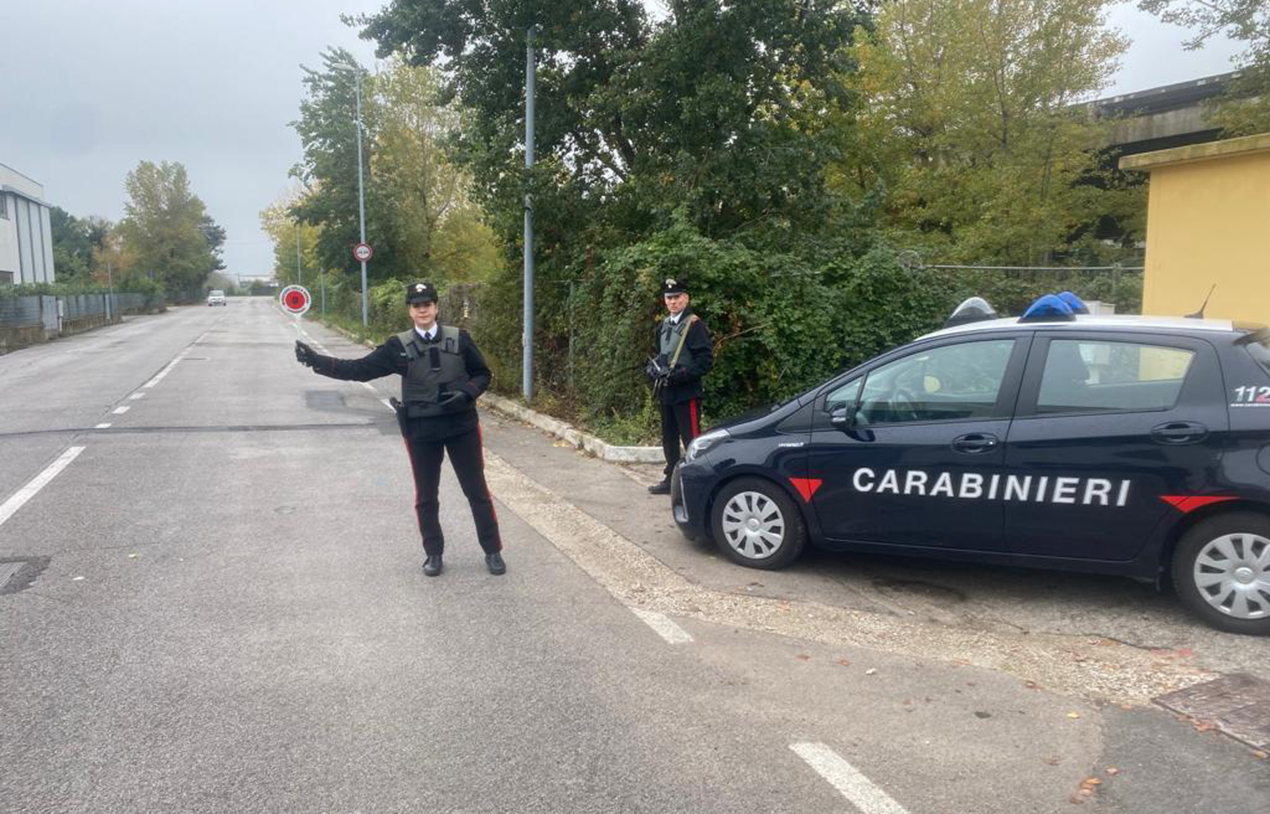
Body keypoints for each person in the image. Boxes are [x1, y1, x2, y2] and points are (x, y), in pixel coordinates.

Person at [294, 281, 505, 577]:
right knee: (426, 496)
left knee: (477, 491)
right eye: (417, 305)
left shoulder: (460, 339)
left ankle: (493, 550)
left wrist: (467, 393)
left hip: (462, 427)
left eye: (428, 304)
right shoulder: (398, 347)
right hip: (422, 431)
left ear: (436, 307)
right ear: (410, 310)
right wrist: (317, 361)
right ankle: (433, 554)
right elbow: (359, 369)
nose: (423, 310)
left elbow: (483, 374)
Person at [646, 277, 713, 495]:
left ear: (686, 298)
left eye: (677, 297)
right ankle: (671, 479)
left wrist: (680, 375)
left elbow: (705, 362)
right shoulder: (664, 325)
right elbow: (662, 354)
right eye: (669, 298)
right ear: (664, 301)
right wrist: (653, 369)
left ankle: (698, 481)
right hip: (666, 391)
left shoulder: (695, 325)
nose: (673, 302)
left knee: (691, 438)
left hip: (686, 392)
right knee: (669, 437)